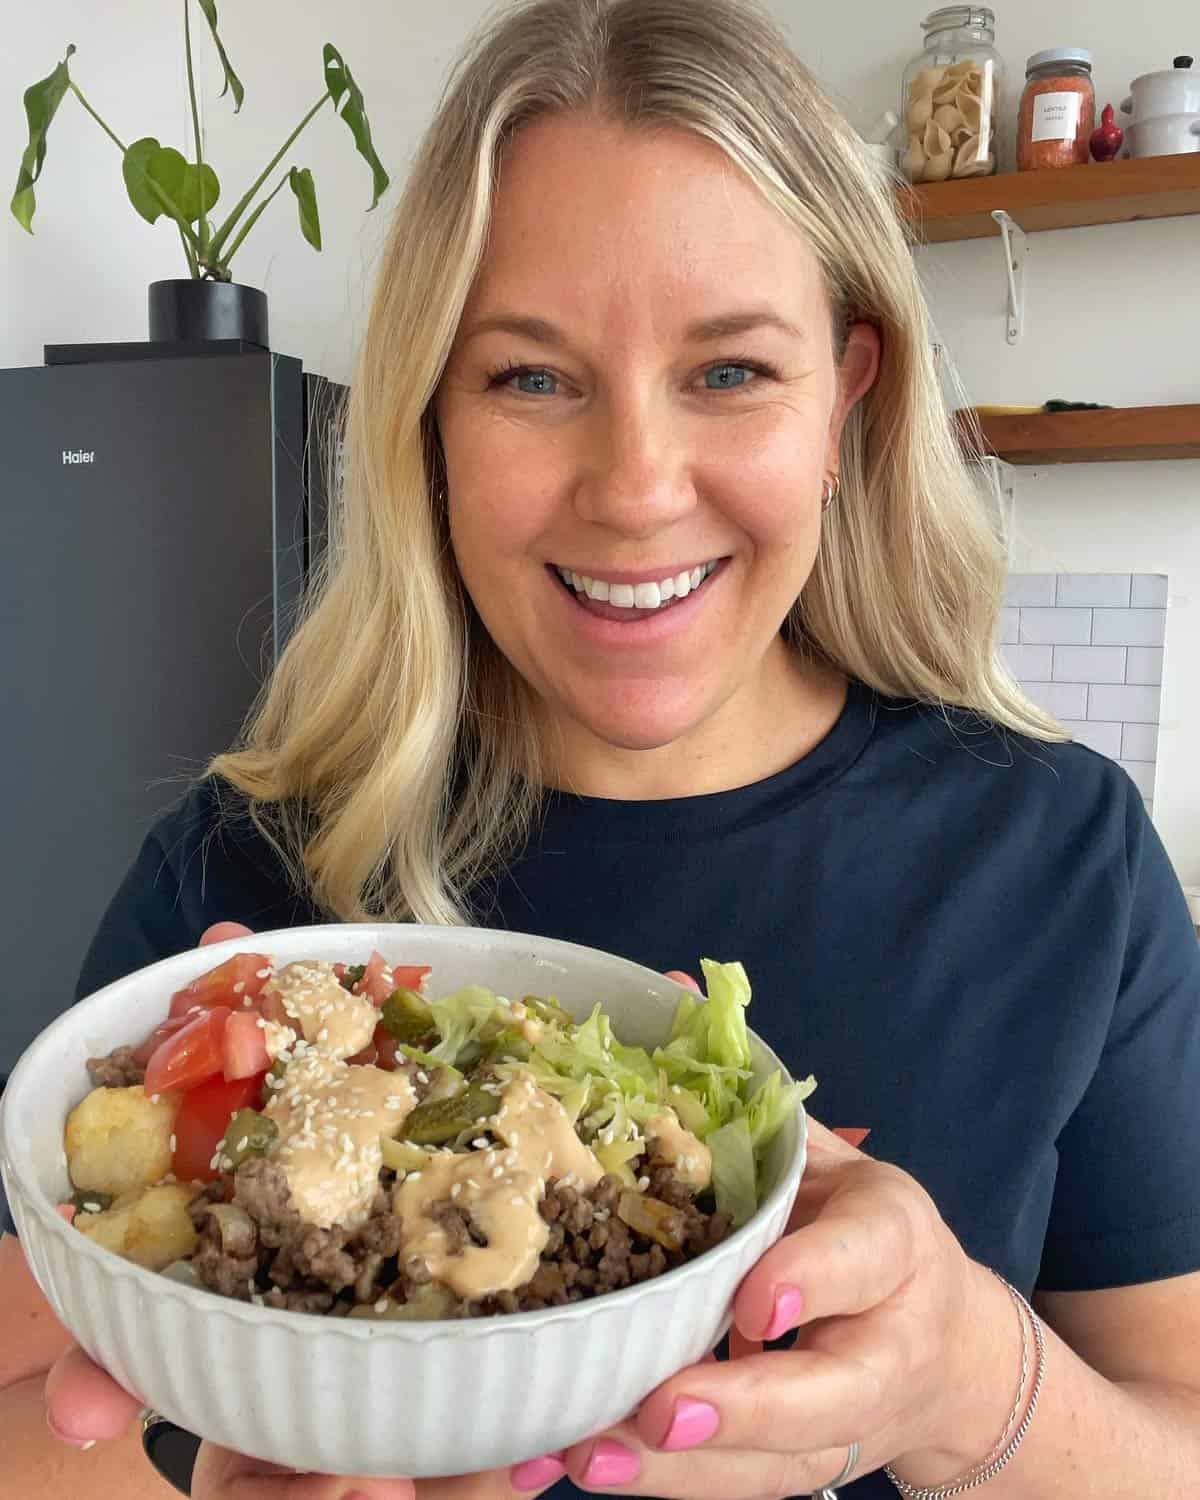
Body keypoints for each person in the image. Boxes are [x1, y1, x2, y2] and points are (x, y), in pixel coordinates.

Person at [4, 0, 1200, 1496]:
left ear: (848, 394)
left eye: (731, 371)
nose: (635, 489)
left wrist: (971, 1388)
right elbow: (30, 1408)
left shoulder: (1065, 862)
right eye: (530, 377)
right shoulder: (240, 899)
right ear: (427, 422)